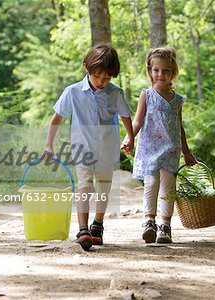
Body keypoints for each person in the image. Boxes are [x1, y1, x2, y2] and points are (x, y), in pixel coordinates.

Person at [44, 44, 134, 251]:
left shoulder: (115, 93)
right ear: (87, 68)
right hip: (82, 149)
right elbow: (56, 118)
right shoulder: (73, 92)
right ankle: (82, 229)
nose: (102, 81)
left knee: (103, 188)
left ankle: (98, 225)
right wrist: (49, 144)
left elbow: (125, 116)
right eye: (98, 76)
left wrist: (130, 138)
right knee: (84, 187)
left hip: (107, 149)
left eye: (107, 78)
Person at [123, 47, 197, 244]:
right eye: (156, 70)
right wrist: (129, 137)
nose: (160, 74)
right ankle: (149, 222)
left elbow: (179, 127)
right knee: (151, 185)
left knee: (168, 187)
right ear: (150, 71)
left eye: (166, 71)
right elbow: (137, 121)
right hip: (149, 149)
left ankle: (165, 226)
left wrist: (187, 152)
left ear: (173, 73)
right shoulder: (146, 95)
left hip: (170, 149)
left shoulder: (177, 100)